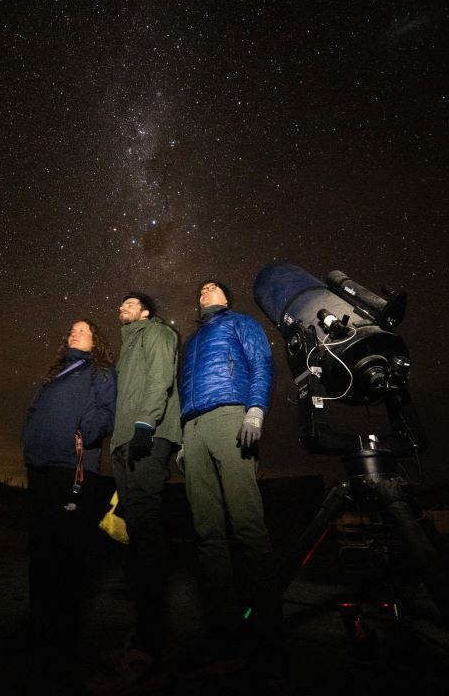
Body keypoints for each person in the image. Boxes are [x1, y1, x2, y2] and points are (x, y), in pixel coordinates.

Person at [178, 280, 288, 686]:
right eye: (201, 287)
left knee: (247, 527)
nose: (204, 289)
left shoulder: (240, 322)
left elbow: (262, 364)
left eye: (212, 287)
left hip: (231, 417)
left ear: (226, 299)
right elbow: (180, 391)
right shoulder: (191, 341)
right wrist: (183, 437)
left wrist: (255, 409)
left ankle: (268, 642)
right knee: (206, 533)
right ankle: (223, 636)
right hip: (194, 427)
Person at [89, 292, 182, 692]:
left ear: (145, 312)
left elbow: (161, 378)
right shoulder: (127, 349)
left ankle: (151, 645)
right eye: (120, 305)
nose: (120, 309)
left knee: (145, 524)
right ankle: (142, 636)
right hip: (127, 442)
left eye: (128, 304)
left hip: (149, 436)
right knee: (136, 533)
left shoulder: (157, 333)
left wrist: (146, 423)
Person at [22, 318, 116, 663]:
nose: (74, 332)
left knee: (67, 553)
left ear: (96, 341)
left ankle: (65, 635)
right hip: (40, 464)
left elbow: (108, 412)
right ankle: (38, 625)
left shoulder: (101, 372)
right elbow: (34, 411)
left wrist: (85, 433)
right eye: (72, 329)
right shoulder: (54, 375)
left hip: (72, 466)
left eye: (83, 329)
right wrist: (28, 440)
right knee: (41, 549)